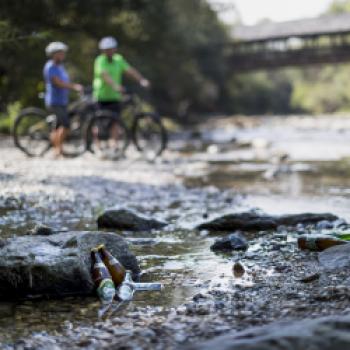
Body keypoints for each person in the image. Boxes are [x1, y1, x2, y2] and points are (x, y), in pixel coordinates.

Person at [43, 42, 83, 157]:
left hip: (62, 100)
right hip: (55, 101)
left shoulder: (60, 66)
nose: (62, 55)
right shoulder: (50, 66)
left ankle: (57, 149)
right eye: (60, 53)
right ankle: (58, 150)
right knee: (66, 125)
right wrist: (74, 87)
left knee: (58, 127)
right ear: (54, 54)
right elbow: (58, 83)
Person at [93, 36, 150, 114]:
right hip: (101, 97)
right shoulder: (100, 60)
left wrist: (141, 80)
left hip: (115, 97)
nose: (109, 51)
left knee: (115, 122)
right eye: (106, 50)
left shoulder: (118, 59)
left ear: (115, 49)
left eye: (110, 49)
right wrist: (114, 86)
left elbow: (130, 71)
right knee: (102, 122)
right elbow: (104, 75)